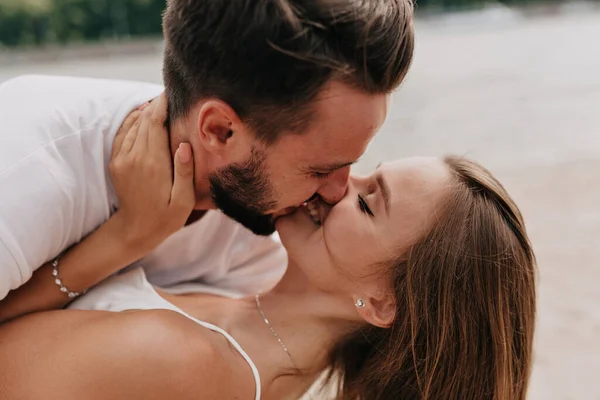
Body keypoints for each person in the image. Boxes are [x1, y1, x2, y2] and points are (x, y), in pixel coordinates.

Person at [0, 116, 537, 399]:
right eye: (366, 168)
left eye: (369, 204)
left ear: (380, 303)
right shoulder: (242, 286)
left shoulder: (192, 362)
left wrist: (127, 237)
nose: (339, 183)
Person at [0, 0, 415, 304]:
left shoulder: (256, 226)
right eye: (321, 170)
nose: (339, 192)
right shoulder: (24, 174)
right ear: (218, 130)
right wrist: (126, 238)